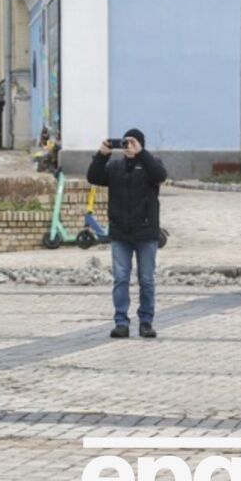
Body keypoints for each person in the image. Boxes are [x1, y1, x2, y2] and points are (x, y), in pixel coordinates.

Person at [87, 128, 168, 339]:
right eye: (126, 143)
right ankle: (121, 322)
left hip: (146, 232)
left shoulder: (151, 165)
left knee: (146, 279)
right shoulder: (115, 167)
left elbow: (160, 176)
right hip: (120, 233)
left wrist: (141, 153)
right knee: (121, 279)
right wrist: (102, 155)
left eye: (133, 143)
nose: (128, 147)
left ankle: (146, 322)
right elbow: (93, 177)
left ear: (140, 145)